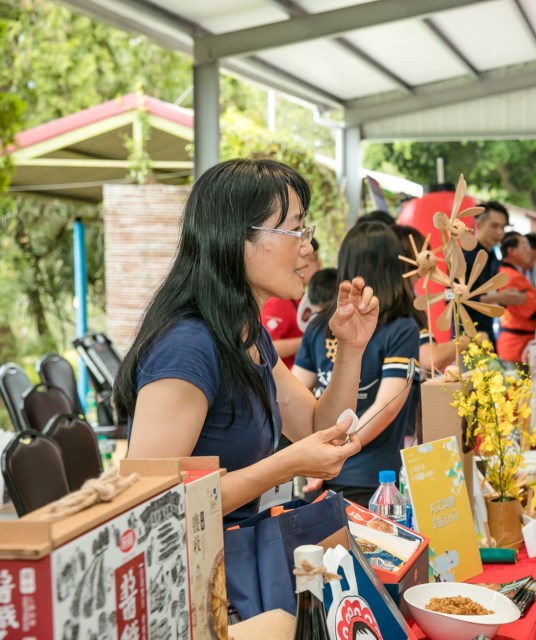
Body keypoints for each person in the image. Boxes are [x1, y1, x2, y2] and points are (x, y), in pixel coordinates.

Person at [115, 158, 373, 527]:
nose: (308, 247)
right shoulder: (187, 346)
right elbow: (149, 507)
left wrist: (350, 348)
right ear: (237, 238)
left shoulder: (245, 333)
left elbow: (321, 429)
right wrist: (284, 465)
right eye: (295, 230)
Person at [293, 221, 421, 506]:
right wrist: (336, 452)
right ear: (393, 266)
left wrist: (321, 452)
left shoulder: (319, 323)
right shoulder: (402, 328)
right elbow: (386, 407)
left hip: (324, 469)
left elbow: (296, 391)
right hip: (370, 480)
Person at [393, 224, 483, 373]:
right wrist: (470, 339)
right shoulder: (402, 304)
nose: (432, 258)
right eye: (426, 253)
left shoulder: (403, 297)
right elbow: (430, 358)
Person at [462, 201, 525, 339]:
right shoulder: (464, 256)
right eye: (494, 226)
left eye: (503, 227)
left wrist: (505, 297)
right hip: (466, 335)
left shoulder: (494, 257)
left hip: (488, 330)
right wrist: (497, 298)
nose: (500, 232)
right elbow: (453, 299)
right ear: (478, 225)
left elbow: (490, 294)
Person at [261, 238, 321, 368]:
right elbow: (267, 347)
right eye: (314, 259)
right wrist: (310, 339)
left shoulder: (303, 297)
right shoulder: (279, 300)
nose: (320, 264)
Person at [496, 232, 536, 365]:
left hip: (520, 344)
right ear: (511, 251)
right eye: (525, 246)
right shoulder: (510, 276)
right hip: (517, 347)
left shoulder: (512, 273)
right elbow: (535, 310)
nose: (529, 251)